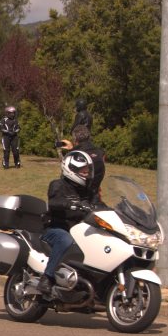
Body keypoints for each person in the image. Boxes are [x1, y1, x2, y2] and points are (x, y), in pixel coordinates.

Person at [37, 150, 96, 296]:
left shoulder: (87, 191)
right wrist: (70, 204)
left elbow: (99, 205)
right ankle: (47, 278)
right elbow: (54, 202)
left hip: (78, 231)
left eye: (87, 170)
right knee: (64, 239)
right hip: (55, 229)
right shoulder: (57, 185)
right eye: (83, 170)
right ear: (71, 170)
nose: (86, 174)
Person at [58, 123, 105, 202]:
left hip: (79, 198)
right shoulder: (100, 152)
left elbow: (66, 177)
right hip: (95, 196)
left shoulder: (76, 155)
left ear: (75, 139)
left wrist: (71, 151)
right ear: (89, 137)